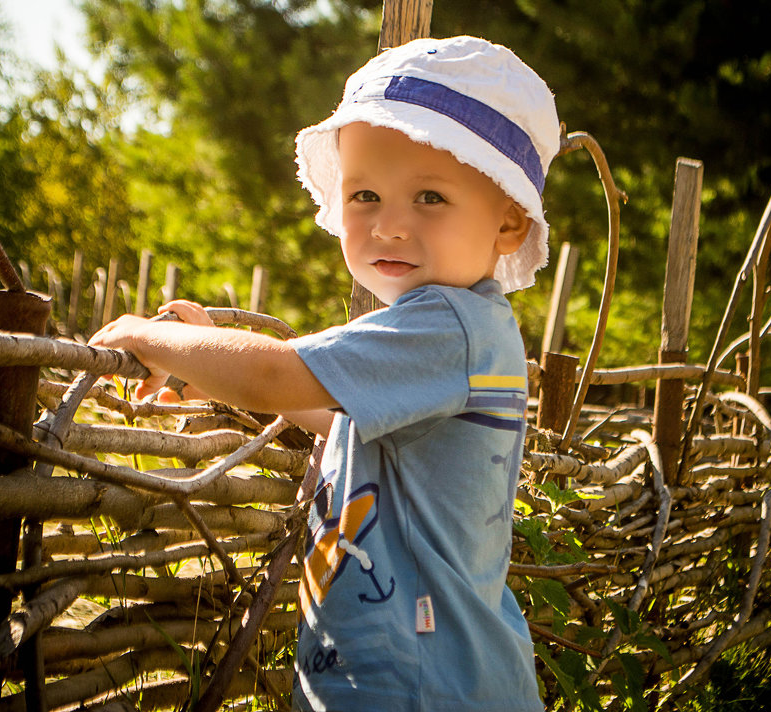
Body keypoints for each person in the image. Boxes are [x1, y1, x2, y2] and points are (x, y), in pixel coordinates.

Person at [90, 35, 559, 711]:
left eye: (429, 196)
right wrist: (212, 360)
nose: (390, 225)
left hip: (427, 688)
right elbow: (336, 415)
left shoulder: (450, 326)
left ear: (509, 223)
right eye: (365, 194)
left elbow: (279, 377)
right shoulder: (454, 331)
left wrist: (147, 336)